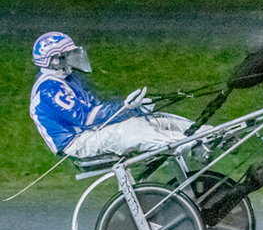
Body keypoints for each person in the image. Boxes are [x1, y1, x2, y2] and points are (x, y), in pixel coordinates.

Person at [29, 31, 208, 159]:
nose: (72, 58)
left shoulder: (70, 79)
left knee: (156, 119)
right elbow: (86, 117)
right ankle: (189, 144)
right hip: (77, 142)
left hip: (90, 132)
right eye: (67, 55)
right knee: (131, 130)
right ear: (53, 60)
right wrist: (125, 107)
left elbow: (96, 108)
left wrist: (134, 109)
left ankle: (207, 134)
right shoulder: (48, 89)